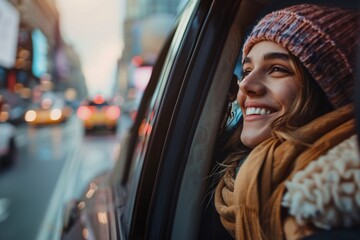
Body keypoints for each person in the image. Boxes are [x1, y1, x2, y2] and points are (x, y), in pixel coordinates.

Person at [214, 3, 360, 240]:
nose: (245, 85)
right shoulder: (234, 179)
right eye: (247, 70)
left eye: (277, 69)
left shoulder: (335, 202)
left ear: (327, 90)